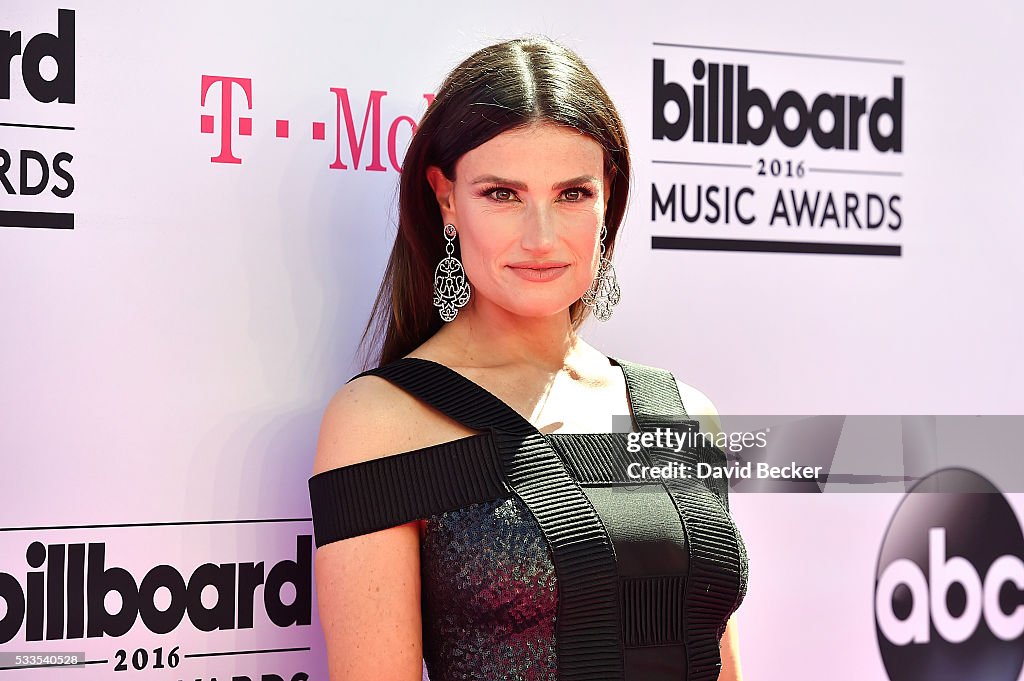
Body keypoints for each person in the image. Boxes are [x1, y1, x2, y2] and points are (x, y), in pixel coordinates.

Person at [308, 36, 748, 681]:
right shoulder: (381, 422)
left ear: (607, 199)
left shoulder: (682, 413)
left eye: (572, 194)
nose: (541, 237)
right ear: (446, 198)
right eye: (502, 195)